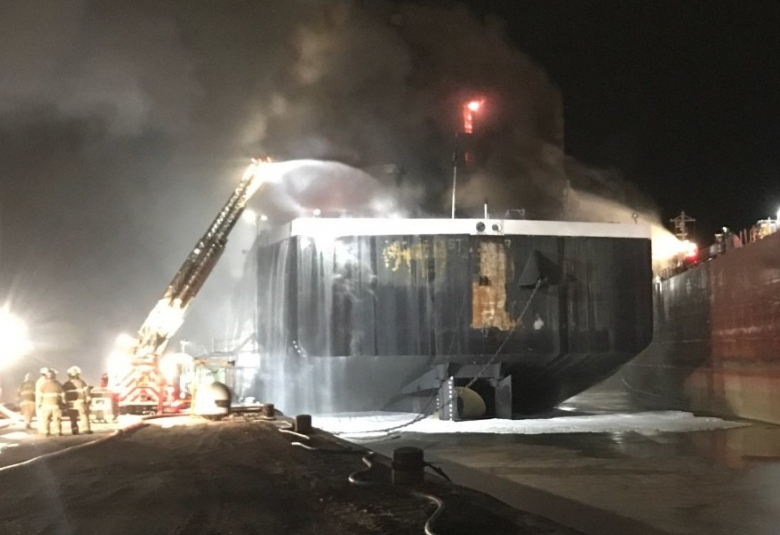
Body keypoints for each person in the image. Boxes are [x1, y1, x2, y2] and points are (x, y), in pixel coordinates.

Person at [63, 366, 92, 435]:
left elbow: (63, 394)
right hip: (80, 402)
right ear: (78, 374)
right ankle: (86, 429)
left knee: (73, 418)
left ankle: (74, 430)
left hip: (70, 404)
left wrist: (64, 403)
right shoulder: (82, 383)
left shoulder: (66, 384)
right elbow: (87, 392)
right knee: (84, 416)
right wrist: (88, 399)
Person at [38, 368, 64, 437]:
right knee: (57, 419)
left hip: (46, 406)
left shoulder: (43, 385)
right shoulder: (58, 384)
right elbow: (63, 395)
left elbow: (40, 396)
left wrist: (40, 404)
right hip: (56, 405)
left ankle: (46, 432)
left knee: (46, 419)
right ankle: (58, 432)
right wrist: (63, 403)